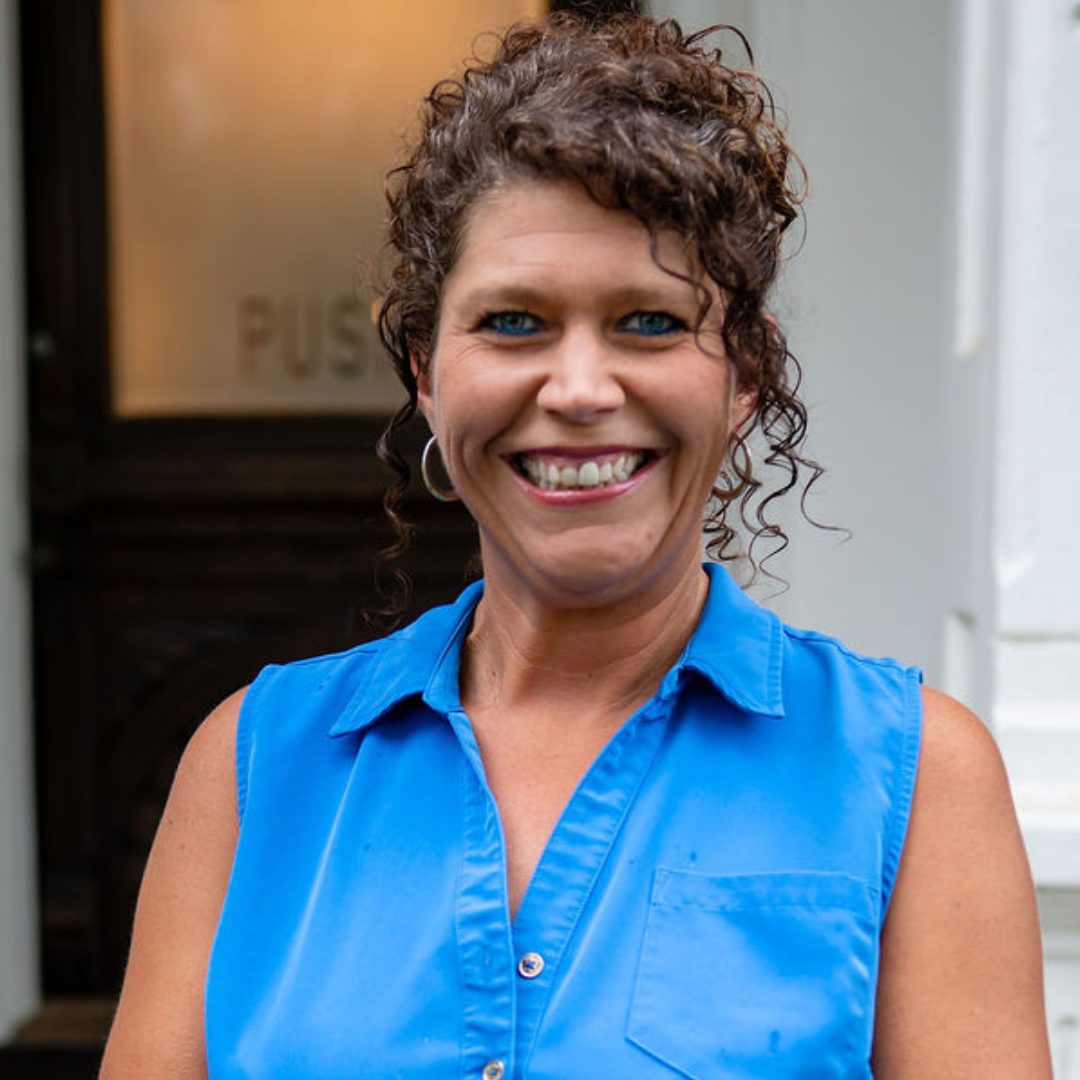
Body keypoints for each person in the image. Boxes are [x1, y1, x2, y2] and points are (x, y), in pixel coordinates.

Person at [100, 15, 1052, 1079]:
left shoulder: (913, 776)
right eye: (513, 323)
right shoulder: (253, 764)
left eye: (649, 322)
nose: (581, 390)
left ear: (742, 375)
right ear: (427, 369)